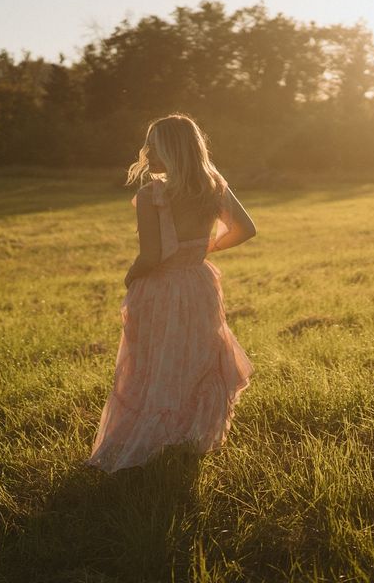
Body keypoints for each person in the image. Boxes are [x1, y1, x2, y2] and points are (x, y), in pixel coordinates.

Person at [85, 113, 256, 473]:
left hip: (161, 287)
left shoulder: (152, 194)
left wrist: (130, 278)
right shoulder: (213, 186)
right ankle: (188, 440)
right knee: (194, 359)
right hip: (198, 284)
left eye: (154, 144)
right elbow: (245, 229)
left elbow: (150, 256)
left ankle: (148, 444)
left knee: (153, 366)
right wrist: (205, 248)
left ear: (170, 150)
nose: (147, 151)